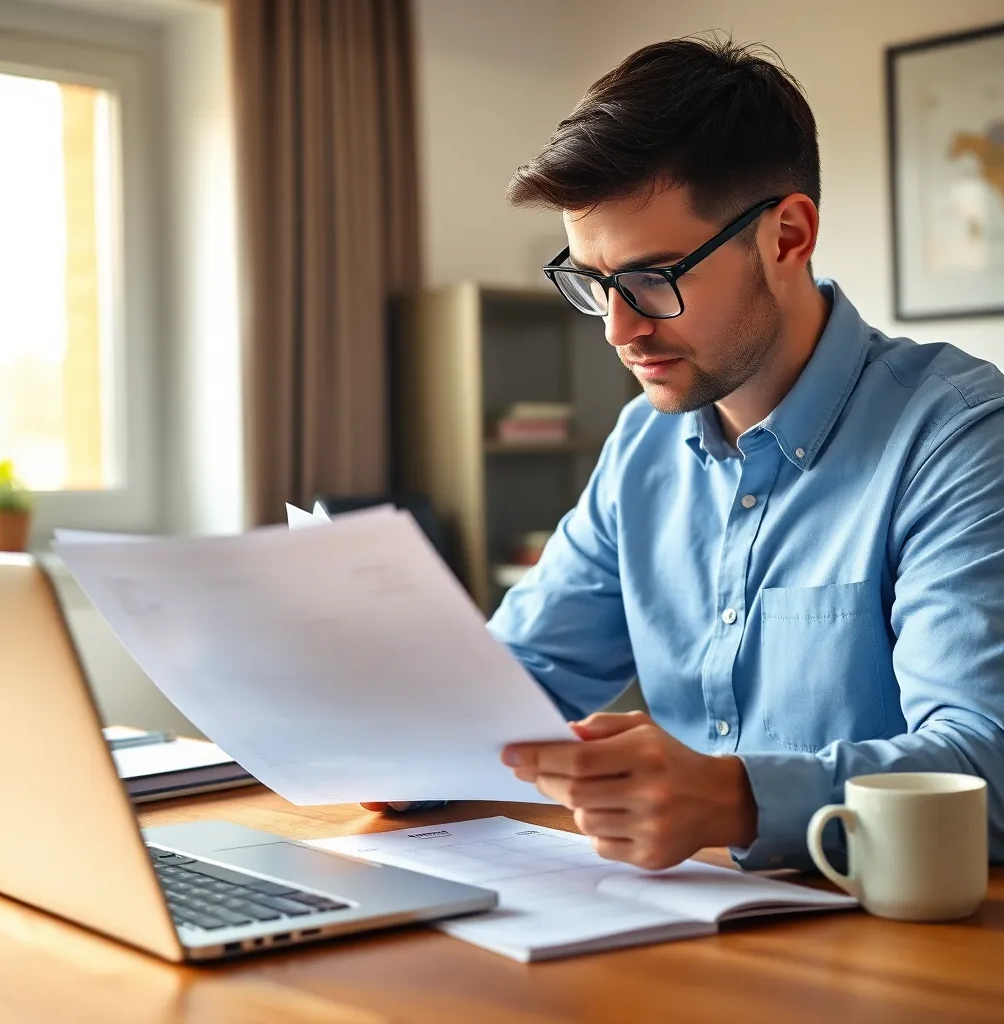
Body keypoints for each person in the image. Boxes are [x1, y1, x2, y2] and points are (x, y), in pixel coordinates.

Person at [366, 36, 1004, 873]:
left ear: (787, 236)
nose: (620, 329)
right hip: (682, 929)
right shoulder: (642, 444)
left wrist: (731, 799)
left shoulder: (958, 435)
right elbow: (522, 677)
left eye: (654, 277)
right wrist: (403, 738)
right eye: (594, 283)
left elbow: (985, 764)